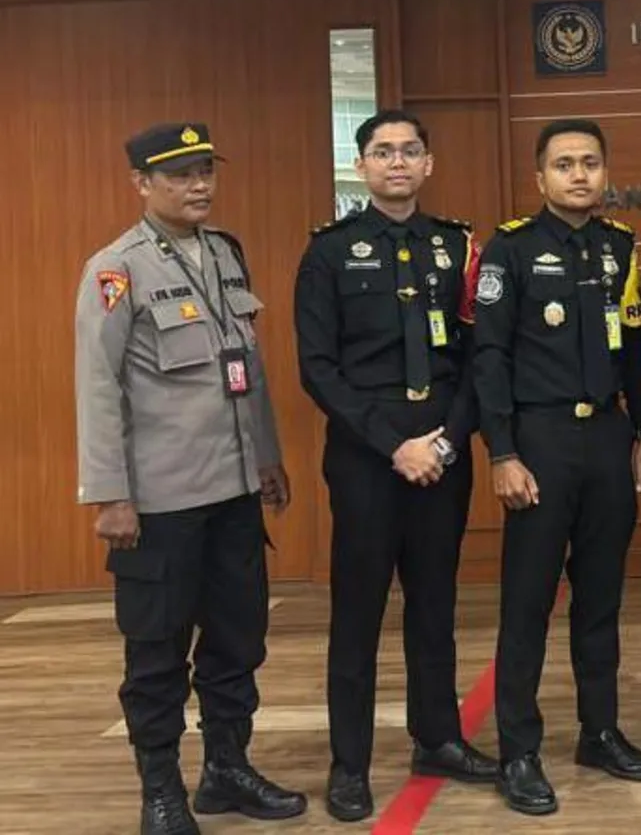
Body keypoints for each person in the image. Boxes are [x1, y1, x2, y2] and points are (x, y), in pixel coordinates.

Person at [75, 122, 306, 835]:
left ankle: (226, 771)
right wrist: (111, 494)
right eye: (178, 174)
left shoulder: (226, 253)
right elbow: (97, 386)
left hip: (233, 491)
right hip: (161, 500)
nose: (198, 184)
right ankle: (161, 792)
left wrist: (266, 455)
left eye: (205, 170)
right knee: (157, 651)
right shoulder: (115, 269)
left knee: (238, 640)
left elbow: (248, 367)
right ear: (141, 184)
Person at [294, 109, 496, 822]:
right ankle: (349, 763)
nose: (398, 162)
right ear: (362, 166)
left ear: (429, 163)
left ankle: (437, 737)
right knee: (358, 612)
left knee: (435, 604)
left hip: (443, 452)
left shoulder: (458, 247)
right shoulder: (328, 252)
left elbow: (480, 356)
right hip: (367, 459)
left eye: (411, 150)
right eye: (383, 152)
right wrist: (394, 445)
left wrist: (447, 440)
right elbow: (318, 369)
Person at [471, 119, 641, 815]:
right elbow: (489, 357)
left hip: (607, 437)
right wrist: (502, 452)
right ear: (540, 177)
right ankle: (518, 750)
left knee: (601, 599)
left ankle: (599, 731)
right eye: (563, 164)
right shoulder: (511, 248)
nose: (578, 175)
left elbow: (633, 349)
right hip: (539, 441)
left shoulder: (618, 247)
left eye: (589, 163)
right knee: (527, 604)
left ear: (605, 172)